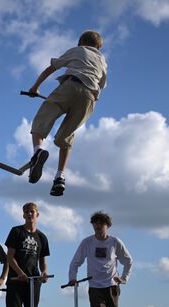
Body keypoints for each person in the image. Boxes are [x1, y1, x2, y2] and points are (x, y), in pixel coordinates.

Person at [26, 30, 107, 196]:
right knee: (66, 137)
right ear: (98, 46)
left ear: (81, 42)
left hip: (71, 86)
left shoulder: (78, 50)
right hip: (89, 98)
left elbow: (51, 68)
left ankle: (37, 152)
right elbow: (101, 84)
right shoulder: (102, 61)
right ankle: (60, 177)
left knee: (42, 120)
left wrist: (35, 87)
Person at [68, 211, 133, 307]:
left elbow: (128, 261)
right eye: (95, 223)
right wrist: (72, 277)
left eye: (101, 223)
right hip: (95, 287)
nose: (98, 226)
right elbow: (75, 262)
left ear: (107, 226)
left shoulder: (115, 242)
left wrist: (124, 278)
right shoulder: (87, 242)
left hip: (112, 287)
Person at [0, 202, 50, 307]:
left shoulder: (42, 237)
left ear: (37, 215)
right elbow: (9, 256)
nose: (30, 214)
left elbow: (43, 260)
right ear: (23, 215)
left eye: (32, 211)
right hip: (16, 280)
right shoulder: (16, 231)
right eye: (27, 212)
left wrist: (44, 272)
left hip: (33, 282)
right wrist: (20, 273)